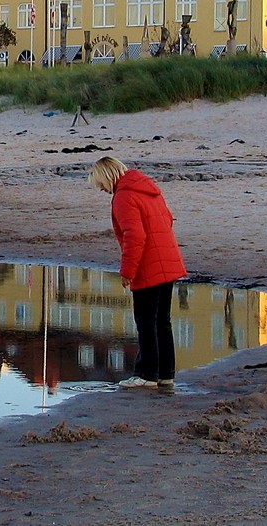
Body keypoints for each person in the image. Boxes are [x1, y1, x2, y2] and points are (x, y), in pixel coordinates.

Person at [89, 156, 186, 389]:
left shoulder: (123, 196)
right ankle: (165, 373)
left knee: (146, 320)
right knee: (162, 320)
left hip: (148, 264)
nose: (102, 190)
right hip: (169, 260)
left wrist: (127, 271)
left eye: (100, 184)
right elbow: (168, 220)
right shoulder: (149, 189)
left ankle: (147, 374)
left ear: (107, 177)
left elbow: (135, 236)